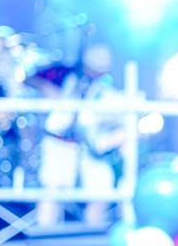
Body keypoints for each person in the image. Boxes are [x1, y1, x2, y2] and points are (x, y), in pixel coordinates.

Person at [37, 44, 125, 226]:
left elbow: (122, 119)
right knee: (53, 192)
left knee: (102, 192)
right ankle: (45, 239)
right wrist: (49, 91)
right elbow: (30, 77)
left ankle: (90, 239)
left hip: (90, 145)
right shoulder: (65, 76)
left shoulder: (107, 90)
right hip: (59, 141)